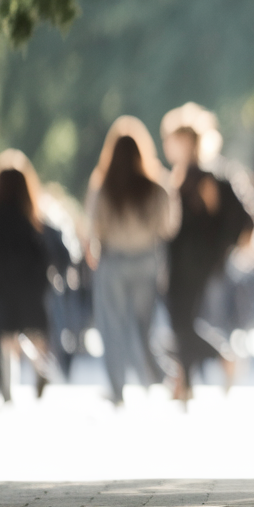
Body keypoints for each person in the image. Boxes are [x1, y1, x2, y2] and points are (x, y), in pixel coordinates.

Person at [162, 103, 253, 401]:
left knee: (182, 322)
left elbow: (233, 222)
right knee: (181, 321)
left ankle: (222, 358)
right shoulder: (182, 175)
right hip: (180, 261)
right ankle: (184, 383)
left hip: (194, 262)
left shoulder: (206, 178)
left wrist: (219, 254)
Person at [87, 118, 178, 405]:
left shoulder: (102, 187)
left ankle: (117, 390)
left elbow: (92, 229)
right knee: (143, 328)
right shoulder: (156, 187)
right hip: (146, 261)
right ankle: (160, 378)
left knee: (111, 326)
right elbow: (169, 227)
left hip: (113, 261)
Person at [0, 150, 57, 399]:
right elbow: (43, 252)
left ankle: (6, 390)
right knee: (25, 332)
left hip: (2, 284)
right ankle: (38, 367)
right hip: (30, 285)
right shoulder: (31, 216)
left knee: (3, 336)